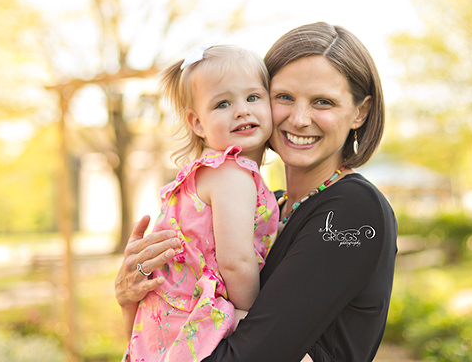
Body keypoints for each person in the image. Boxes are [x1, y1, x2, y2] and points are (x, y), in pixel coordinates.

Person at [116, 22, 398, 362]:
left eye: (323, 102)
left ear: (359, 112)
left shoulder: (351, 208)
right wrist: (133, 299)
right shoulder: (266, 207)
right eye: (284, 97)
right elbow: (172, 339)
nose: (299, 118)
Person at [123, 45, 280, 362]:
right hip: (197, 319)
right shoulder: (232, 174)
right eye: (223, 103)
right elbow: (236, 261)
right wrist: (251, 315)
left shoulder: (205, 172)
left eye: (253, 97)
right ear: (197, 123)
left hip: (162, 322)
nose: (241, 110)